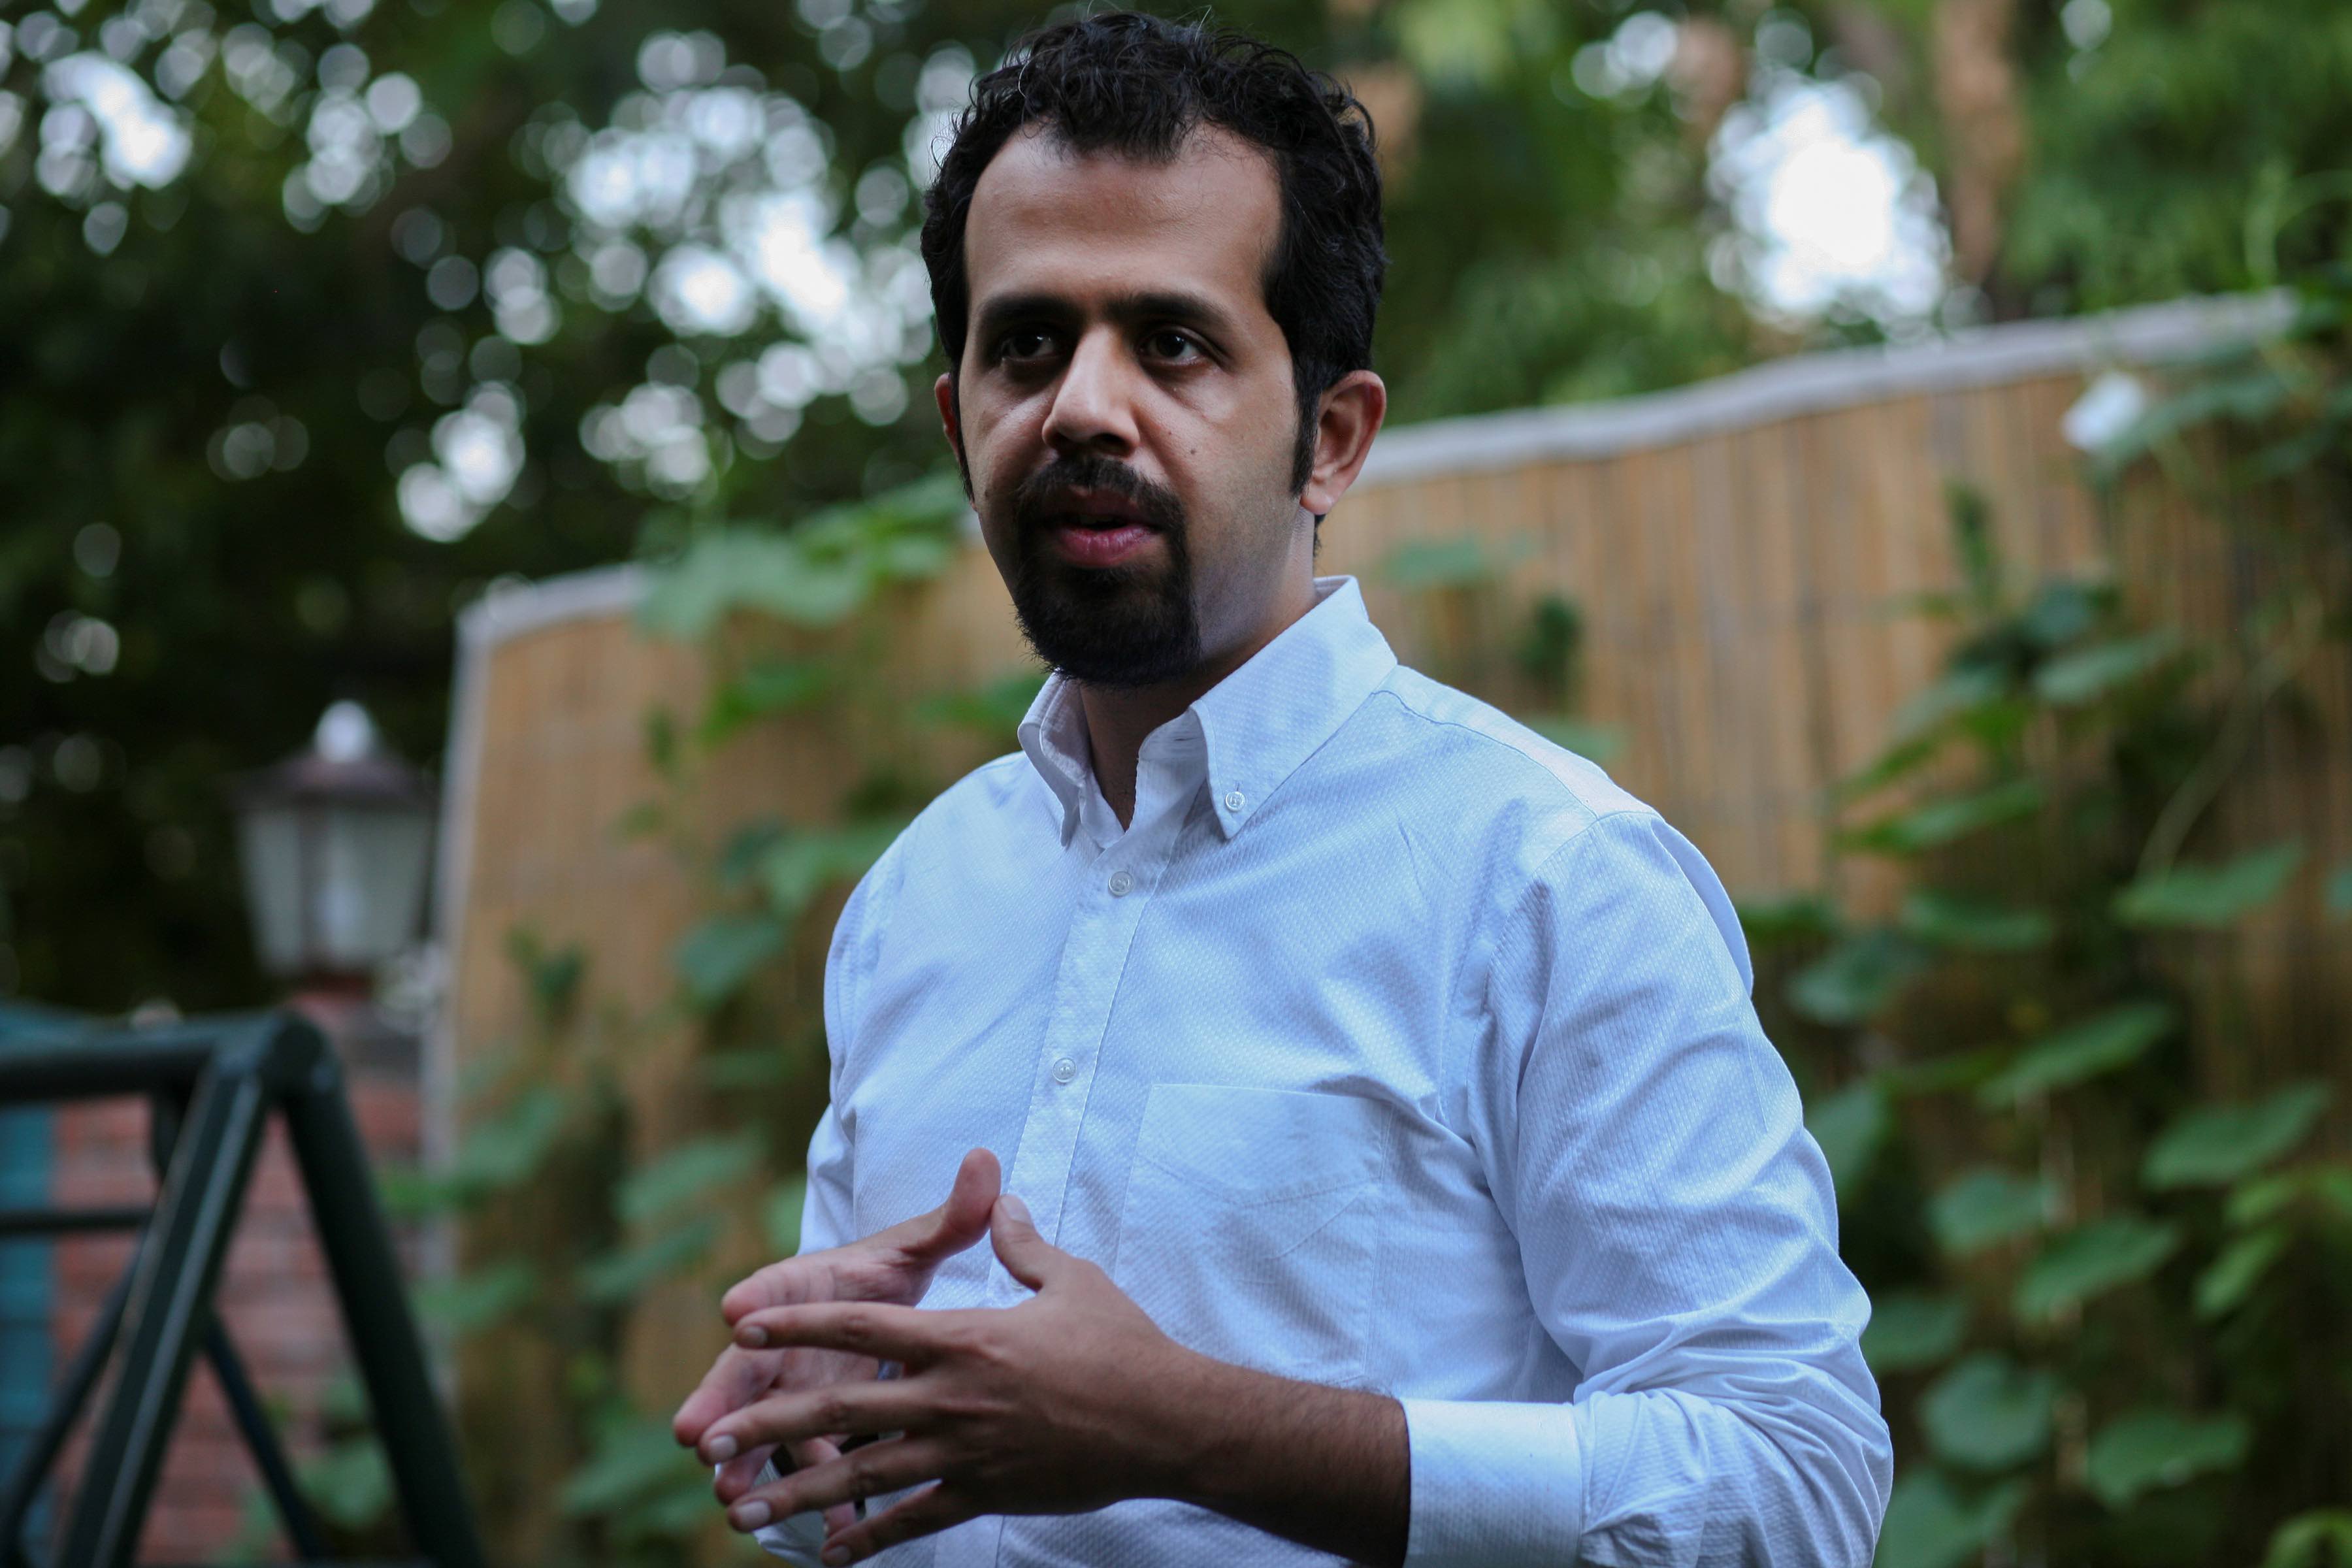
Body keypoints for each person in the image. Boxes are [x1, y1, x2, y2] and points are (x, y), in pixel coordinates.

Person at [670, 12, 1891, 1566]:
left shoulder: (1544, 877)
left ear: (1332, 436)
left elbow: (1790, 1487)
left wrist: (1181, 1428)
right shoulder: (919, 899)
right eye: (1027, 343)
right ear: (956, 417)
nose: (1085, 407)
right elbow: (866, 1501)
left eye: (1172, 342)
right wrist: (820, 1431)